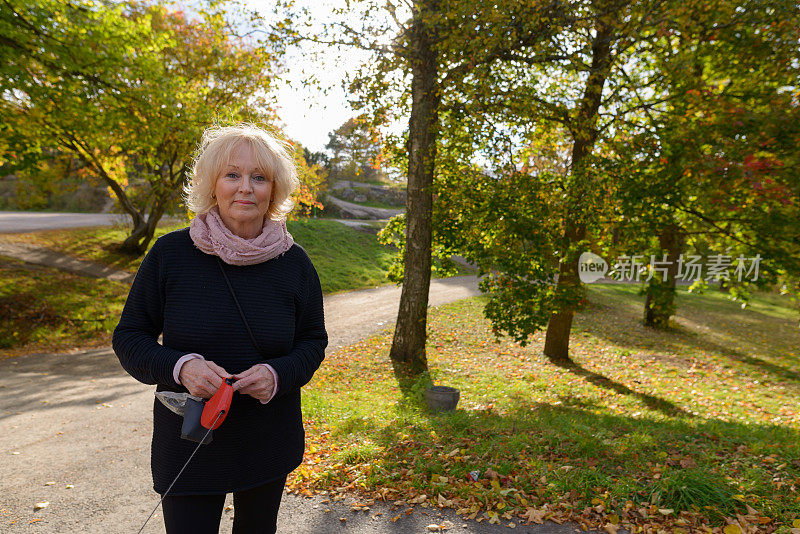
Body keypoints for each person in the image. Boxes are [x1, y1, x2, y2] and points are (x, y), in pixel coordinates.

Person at [112, 123, 327, 534]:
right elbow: (129, 337)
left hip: (267, 439)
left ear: (273, 190)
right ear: (212, 185)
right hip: (191, 439)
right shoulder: (170, 255)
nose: (245, 187)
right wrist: (181, 368)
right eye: (232, 175)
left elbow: (313, 343)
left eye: (258, 177)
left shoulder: (295, 264)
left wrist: (278, 374)